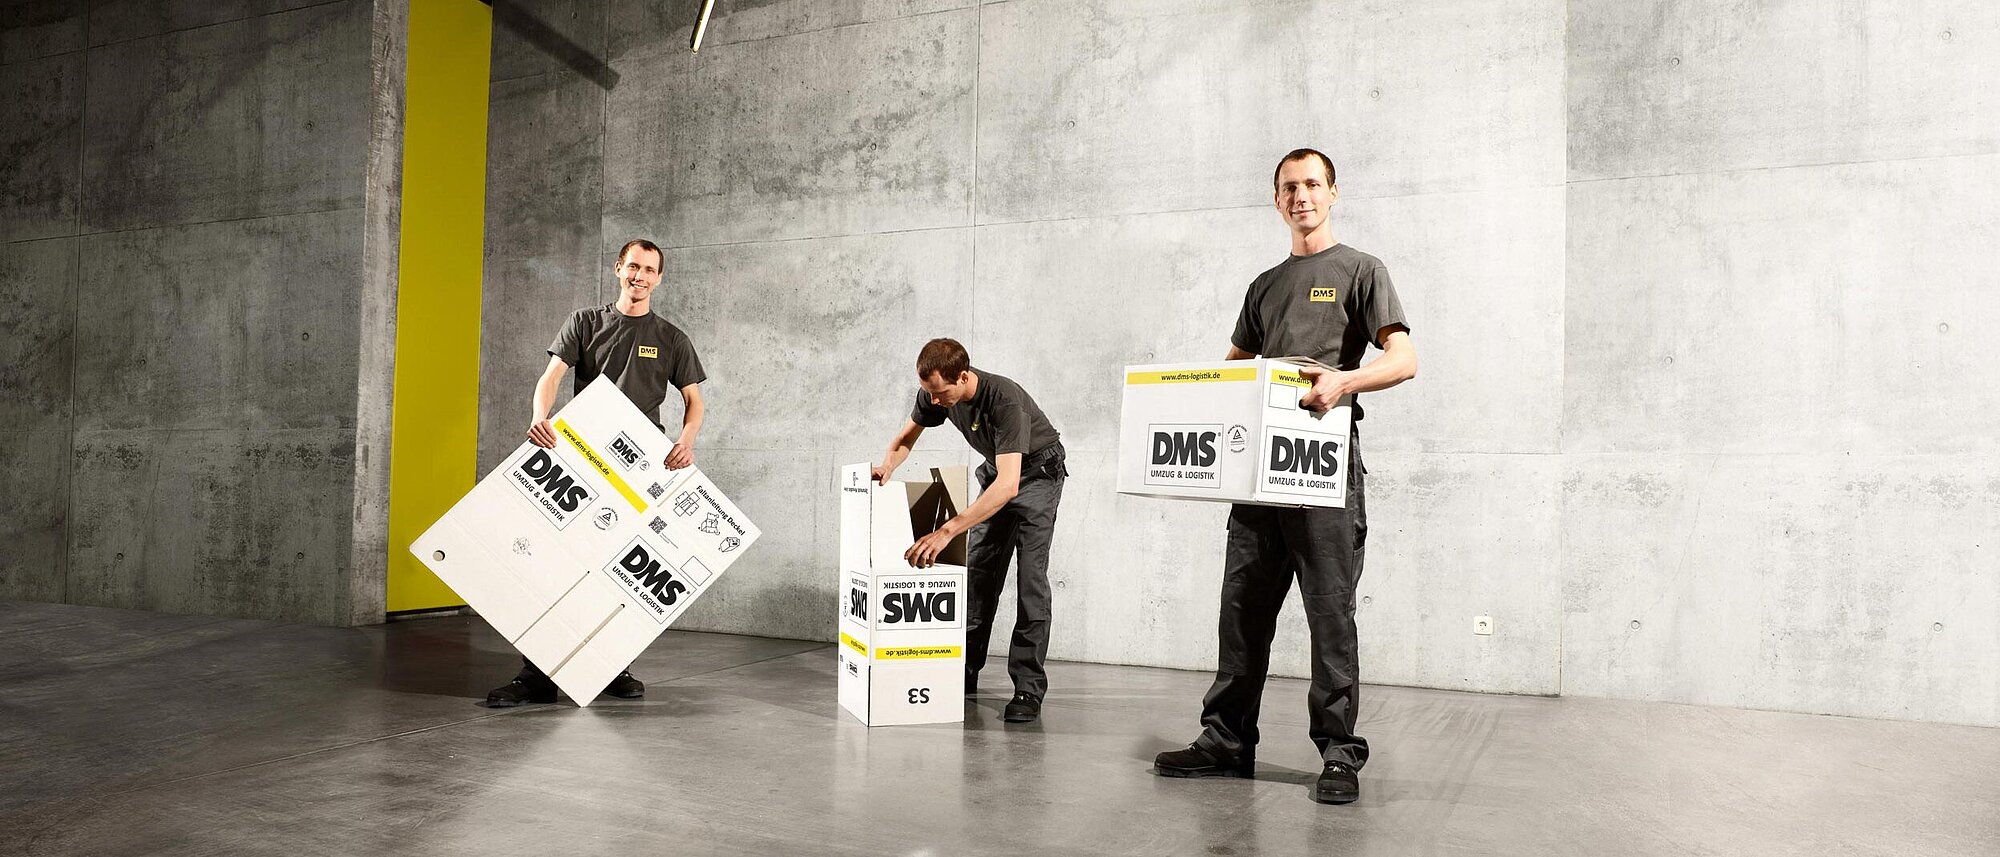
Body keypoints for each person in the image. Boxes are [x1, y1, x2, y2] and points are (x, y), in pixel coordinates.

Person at [1152, 149, 1417, 804]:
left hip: (1322, 467)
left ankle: (1339, 753)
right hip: (1258, 471)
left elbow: (1403, 359)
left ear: (1333, 193)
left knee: (1330, 611)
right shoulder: (1264, 285)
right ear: (1277, 200)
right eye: (1289, 187)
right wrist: (1181, 402)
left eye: (1312, 184)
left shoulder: (1361, 270)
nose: (1301, 196)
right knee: (1241, 605)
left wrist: (1342, 382)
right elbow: (1232, 368)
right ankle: (1226, 740)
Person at [485, 238, 708, 707]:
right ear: (618, 268)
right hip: (582, 459)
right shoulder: (585, 323)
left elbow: (694, 401)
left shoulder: (672, 338)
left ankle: (612, 666)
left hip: (639, 469)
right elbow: (551, 377)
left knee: (620, 572)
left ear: (659, 278)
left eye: (649, 270)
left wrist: (686, 441)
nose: (640, 276)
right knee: (556, 567)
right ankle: (536, 675)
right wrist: (540, 416)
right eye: (633, 266)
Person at [873, 339, 1068, 723]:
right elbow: (906, 437)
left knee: (1030, 581)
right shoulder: (936, 393)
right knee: (978, 576)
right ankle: (963, 670)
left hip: (1037, 474)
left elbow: (1009, 487)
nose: (934, 401)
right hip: (1001, 469)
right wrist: (887, 466)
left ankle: (1028, 688)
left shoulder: (1004, 400)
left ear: (963, 377)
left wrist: (946, 531)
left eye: (940, 393)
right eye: (929, 393)